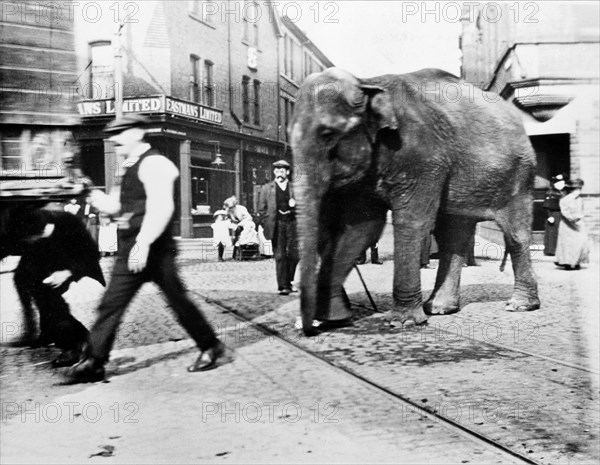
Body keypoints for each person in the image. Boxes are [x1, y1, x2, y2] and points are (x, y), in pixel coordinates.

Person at [66, 114, 232, 383]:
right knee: (111, 303)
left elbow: (162, 207)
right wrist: (88, 192)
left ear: (136, 133)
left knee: (178, 302)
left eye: (120, 133)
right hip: (132, 246)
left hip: (155, 248)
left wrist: (143, 243)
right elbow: (117, 206)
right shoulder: (128, 165)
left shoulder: (155, 163)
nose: (115, 139)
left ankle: (211, 347)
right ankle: (94, 361)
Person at [6, 208, 105, 367]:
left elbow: (92, 254)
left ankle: (75, 344)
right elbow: (29, 262)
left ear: (42, 231)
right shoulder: (35, 229)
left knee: (53, 304)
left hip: (80, 271)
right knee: (26, 279)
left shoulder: (69, 223)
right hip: (53, 271)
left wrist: (67, 272)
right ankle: (49, 332)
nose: (30, 242)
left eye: (31, 239)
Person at [258, 159, 299, 295]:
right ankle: (283, 286)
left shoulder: (294, 188)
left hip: (293, 224)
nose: (279, 173)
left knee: (294, 255)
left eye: (282, 171)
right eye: (276, 171)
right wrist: (266, 224)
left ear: (287, 172)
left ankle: (289, 281)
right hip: (277, 225)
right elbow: (261, 209)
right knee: (280, 255)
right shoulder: (266, 188)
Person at [555, 178, 589, 270]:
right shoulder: (565, 199)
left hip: (578, 224)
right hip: (568, 224)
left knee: (580, 242)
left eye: (579, 189)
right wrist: (574, 218)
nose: (578, 191)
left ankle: (577, 262)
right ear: (572, 190)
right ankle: (567, 263)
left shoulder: (580, 200)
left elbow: (581, 211)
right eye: (577, 189)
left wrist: (580, 218)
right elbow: (565, 212)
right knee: (568, 244)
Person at [543, 174, 566, 256]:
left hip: (562, 214)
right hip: (553, 214)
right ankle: (551, 251)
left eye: (562, 183)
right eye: (559, 183)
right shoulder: (550, 193)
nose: (561, 184)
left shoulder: (564, 193)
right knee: (552, 233)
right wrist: (549, 216)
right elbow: (546, 206)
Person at [223, 195, 252, 259]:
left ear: (234, 206)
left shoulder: (242, 209)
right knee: (237, 237)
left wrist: (240, 224)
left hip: (246, 224)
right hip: (236, 226)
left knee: (244, 236)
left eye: (231, 207)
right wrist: (232, 226)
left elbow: (248, 218)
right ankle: (235, 254)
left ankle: (246, 253)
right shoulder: (228, 211)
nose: (230, 209)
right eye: (229, 208)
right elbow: (227, 219)